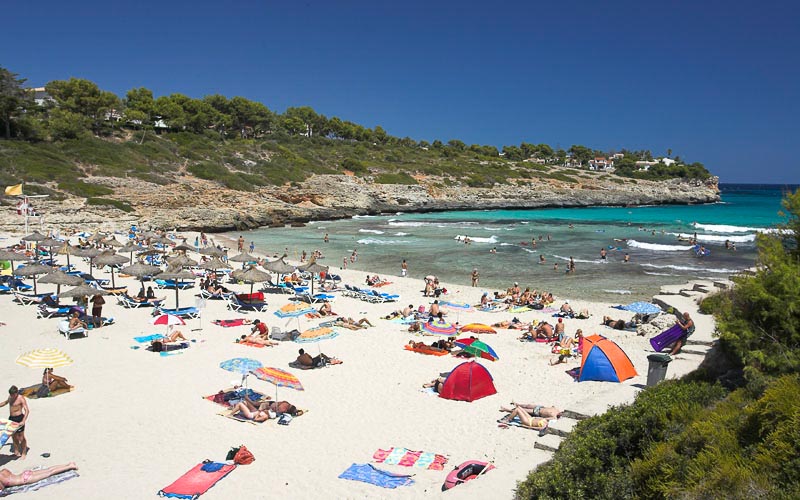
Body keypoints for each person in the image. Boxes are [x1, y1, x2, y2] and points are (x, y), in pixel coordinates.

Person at [0, 462, 78, 491]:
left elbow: (2, 488)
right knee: (49, 469)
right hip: (25, 474)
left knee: (50, 473)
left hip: (25, 479)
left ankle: (70, 467)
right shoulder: (3, 471)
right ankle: (67, 464)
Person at [0, 386, 28, 459]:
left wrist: (23, 420)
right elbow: (6, 402)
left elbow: (27, 410)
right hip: (11, 418)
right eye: (11, 394)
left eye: (13, 394)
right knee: (13, 436)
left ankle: (24, 452)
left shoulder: (21, 398)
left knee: (21, 437)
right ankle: (17, 452)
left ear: (16, 393)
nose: (12, 396)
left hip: (19, 418)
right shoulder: (10, 397)